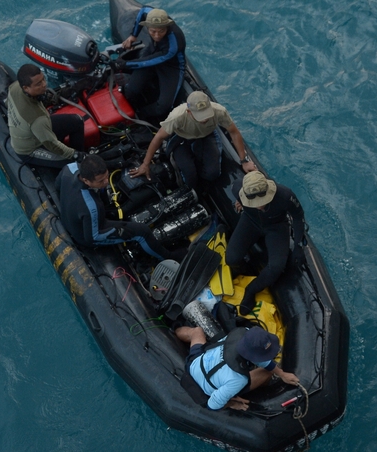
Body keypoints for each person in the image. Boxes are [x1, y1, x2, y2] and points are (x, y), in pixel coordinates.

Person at [55, 154, 185, 261]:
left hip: (72, 215)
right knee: (142, 231)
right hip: (85, 236)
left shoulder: (69, 168)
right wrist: (122, 231)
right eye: (100, 181)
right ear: (86, 180)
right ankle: (168, 257)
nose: (106, 182)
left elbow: (57, 186)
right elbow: (93, 237)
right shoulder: (91, 206)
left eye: (106, 176)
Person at [128, 91, 256, 192]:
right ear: (189, 111)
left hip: (207, 135)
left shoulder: (219, 111)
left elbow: (234, 132)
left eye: (206, 113)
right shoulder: (177, 116)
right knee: (190, 175)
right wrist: (145, 164)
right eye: (200, 116)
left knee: (213, 173)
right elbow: (158, 137)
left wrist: (243, 160)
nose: (205, 119)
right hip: (181, 138)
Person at [226, 171, 306, 315]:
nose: (259, 207)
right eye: (254, 203)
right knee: (231, 259)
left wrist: (299, 245)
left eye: (262, 201)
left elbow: (298, 217)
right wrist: (239, 203)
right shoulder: (237, 188)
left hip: (276, 226)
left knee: (276, 267)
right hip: (250, 221)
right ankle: (247, 267)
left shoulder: (285, 195)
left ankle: (250, 290)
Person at [176, 325, 299, 410]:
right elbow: (212, 404)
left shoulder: (242, 333)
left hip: (196, 362)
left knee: (196, 331)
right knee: (267, 373)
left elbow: (258, 357)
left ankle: (175, 330)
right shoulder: (238, 379)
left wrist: (282, 374)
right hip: (205, 386)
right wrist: (230, 403)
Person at [113, 7, 185, 123]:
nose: (157, 36)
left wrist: (126, 64)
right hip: (153, 51)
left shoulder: (174, 43)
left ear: (167, 26)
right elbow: (143, 11)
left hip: (171, 66)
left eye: (161, 31)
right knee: (131, 89)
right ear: (148, 27)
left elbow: (151, 61)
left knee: (163, 106)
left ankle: (142, 115)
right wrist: (133, 35)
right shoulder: (148, 14)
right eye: (153, 31)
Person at [7, 64, 85, 167]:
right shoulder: (37, 119)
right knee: (74, 164)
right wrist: (77, 156)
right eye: (38, 84)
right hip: (30, 149)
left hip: (34, 129)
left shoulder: (14, 87)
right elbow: (52, 145)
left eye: (43, 79)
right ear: (25, 87)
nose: (44, 84)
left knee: (77, 121)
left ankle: (79, 149)